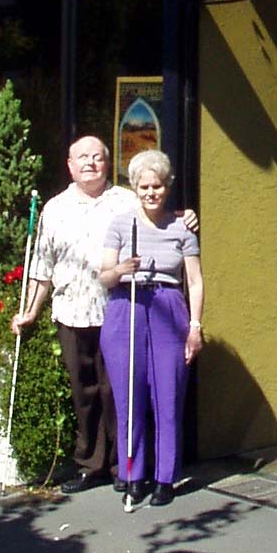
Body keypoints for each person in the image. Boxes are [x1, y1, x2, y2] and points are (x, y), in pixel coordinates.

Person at [11, 136, 196, 494]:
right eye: (82, 158)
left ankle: (122, 467)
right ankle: (90, 464)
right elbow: (42, 265)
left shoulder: (127, 199)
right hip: (73, 311)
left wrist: (185, 216)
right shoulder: (55, 208)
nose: (90, 163)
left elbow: (162, 213)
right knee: (85, 392)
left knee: (121, 393)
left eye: (97, 157)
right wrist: (30, 311)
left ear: (108, 164)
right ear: (70, 165)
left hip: (120, 312)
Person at [99, 149, 204, 507]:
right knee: (129, 396)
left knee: (168, 394)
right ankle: (133, 474)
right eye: (143, 186)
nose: (150, 193)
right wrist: (121, 270)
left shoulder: (182, 226)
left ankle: (165, 478)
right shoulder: (119, 224)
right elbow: (104, 275)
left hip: (167, 307)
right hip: (125, 307)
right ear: (134, 187)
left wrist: (195, 326)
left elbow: (196, 280)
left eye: (157, 186)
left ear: (166, 186)